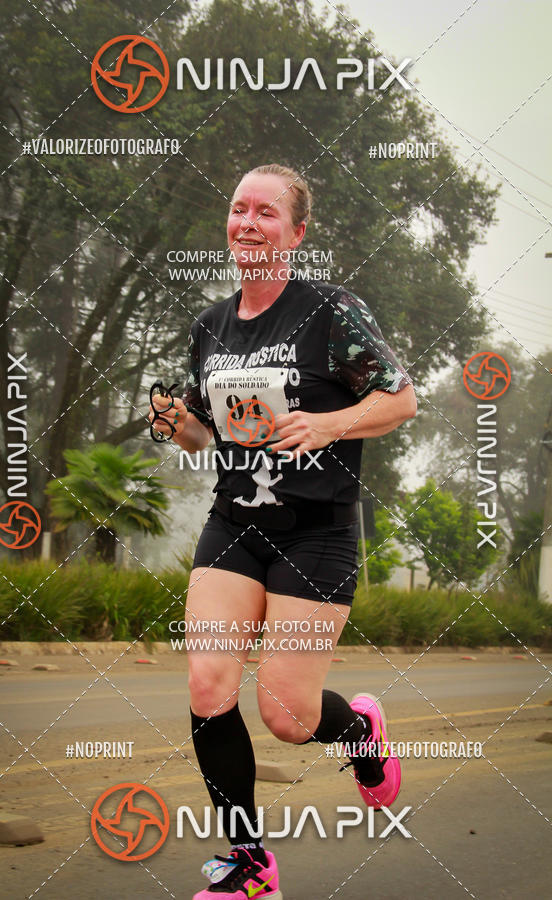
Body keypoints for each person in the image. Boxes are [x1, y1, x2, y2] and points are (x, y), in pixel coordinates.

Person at [149, 164, 417, 900]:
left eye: (266, 212)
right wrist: (183, 427)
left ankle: (360, 731)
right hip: (235, 523)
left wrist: (328, 422)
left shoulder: (331, 311)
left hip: (317, 530)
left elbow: (401, 401)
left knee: (289, 717)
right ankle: (247, 864)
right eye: (238, 210)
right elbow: (211, 439)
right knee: (208, 686)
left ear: (296, 232)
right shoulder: (211, 326)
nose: (248, 223)